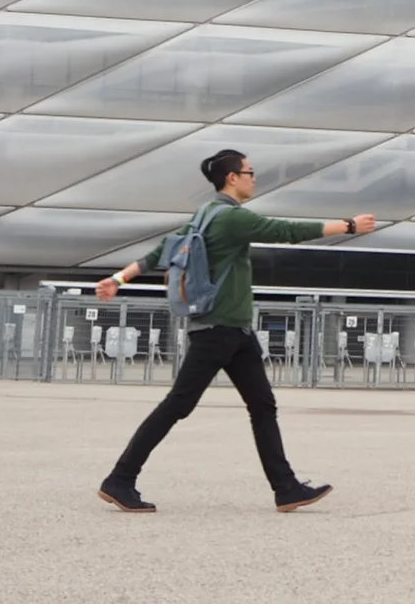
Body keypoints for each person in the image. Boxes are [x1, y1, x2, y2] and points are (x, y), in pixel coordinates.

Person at [93, 149, 375, 513]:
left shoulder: (204, 215)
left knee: (262, 406)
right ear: (232, 178)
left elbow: (163, 249)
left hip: (235, 331)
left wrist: (118, 278)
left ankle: (286, 488)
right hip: (218, 331)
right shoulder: (230, 219)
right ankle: (120, 479)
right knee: (178, 405)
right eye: (250, 172)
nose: (254, 178)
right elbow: (285, 231)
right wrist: (348, 226)